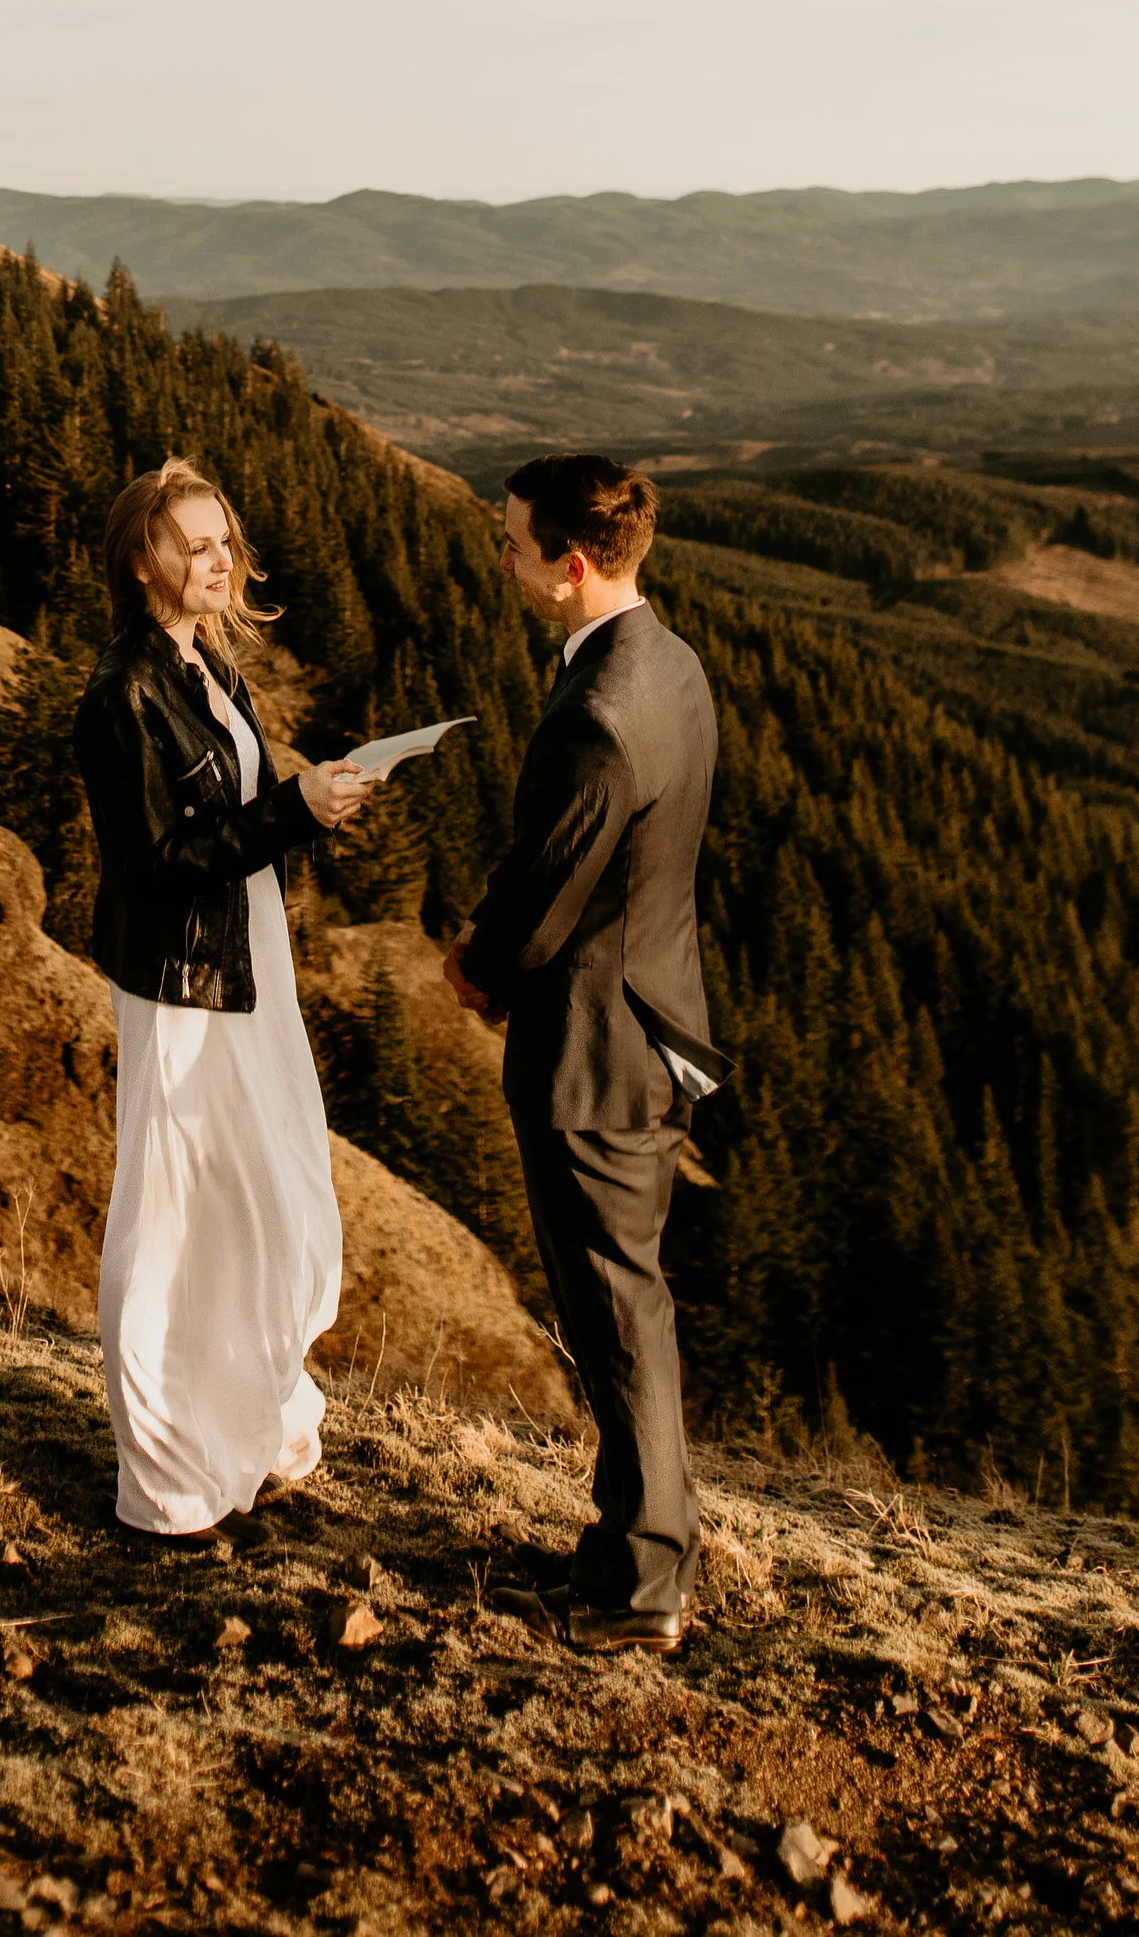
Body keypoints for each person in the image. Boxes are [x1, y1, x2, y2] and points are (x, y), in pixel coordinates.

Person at [444, 453, 720, 1652]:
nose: (500, 559)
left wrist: (475, 969)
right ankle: (628, 1544)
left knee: (615, 1313)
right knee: (627, 1301)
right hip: (654, 1019)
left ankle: (642, 1587)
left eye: (511, 544)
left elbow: (544, 898)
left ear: (569, 565)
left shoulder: (595, 721)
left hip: (593, 1055)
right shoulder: (670, 663)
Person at [74, 455, 377, 1545]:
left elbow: (233, 819)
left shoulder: (206, 668)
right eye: (191, 544)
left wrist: (308, 798)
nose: (216, 561)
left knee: (274, 1186)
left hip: (246, 963)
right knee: (175, 1213)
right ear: (140, 561)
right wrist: (293, 808)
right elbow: (159, 861)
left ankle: (262, 1417)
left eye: (223, 542)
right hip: (182, 984)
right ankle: (162, 1476)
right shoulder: (123, 695)